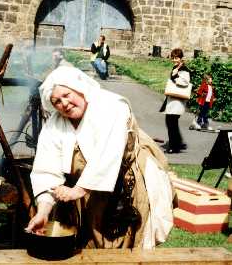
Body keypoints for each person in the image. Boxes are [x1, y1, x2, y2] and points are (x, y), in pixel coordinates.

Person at [26, 66, 174, 249]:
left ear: (79, 89)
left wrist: (77, 190)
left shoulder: (110, 106)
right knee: (89, 244)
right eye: (56, 101)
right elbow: (46, 168)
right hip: (88, 193)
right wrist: (43, 212)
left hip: (125, 187)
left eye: (67, 94)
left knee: (125, 245)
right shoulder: (55, 125)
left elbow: (109, 152)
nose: (64, 103)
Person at [159, 48, 191, 154]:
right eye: (173, 58)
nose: (174, 60)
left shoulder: (184, 69)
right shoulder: (176, 67)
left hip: (177, 99)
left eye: (176, 58)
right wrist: (175, 73)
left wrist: (175, 76)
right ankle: (178, 143)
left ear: (181, 58)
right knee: (172, 122)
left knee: (171, 122)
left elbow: (185, 82)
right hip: (173, 99)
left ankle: (174, 146)